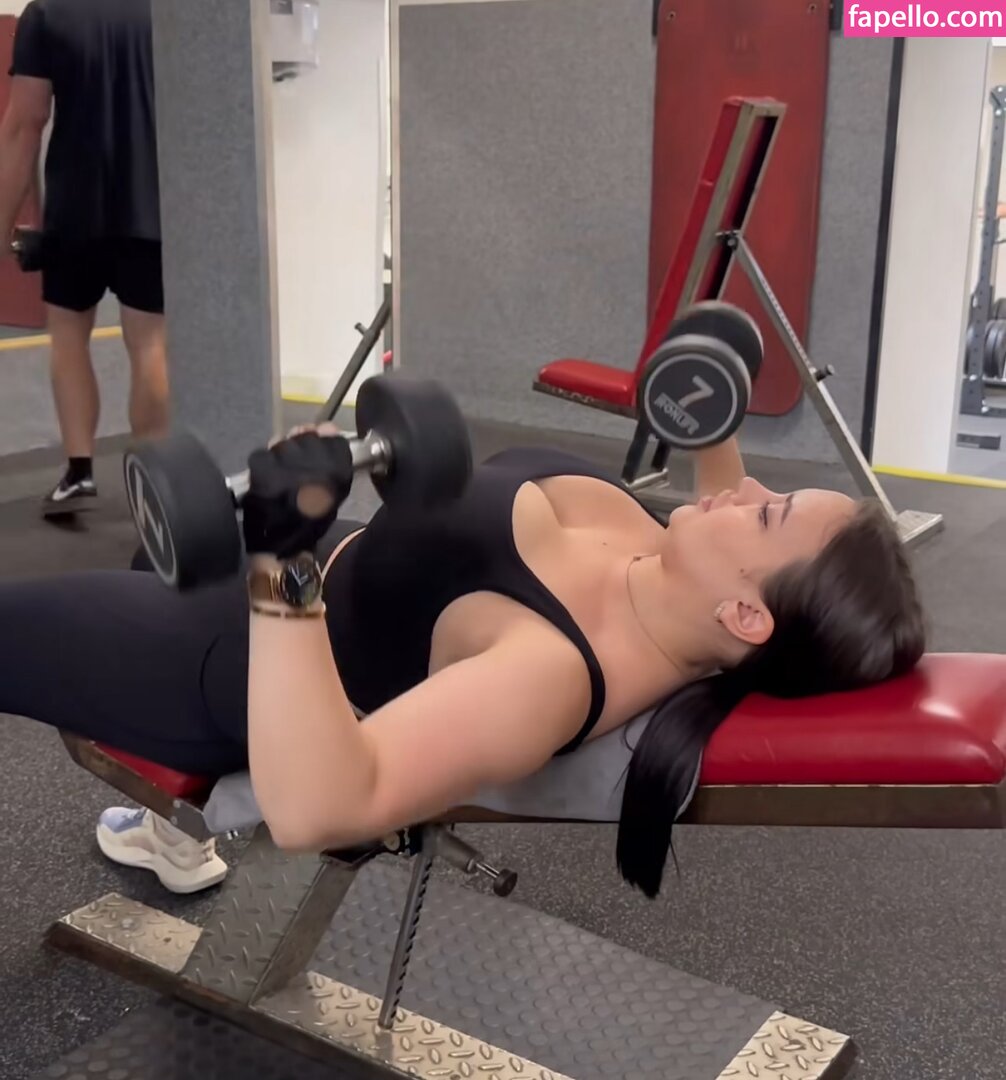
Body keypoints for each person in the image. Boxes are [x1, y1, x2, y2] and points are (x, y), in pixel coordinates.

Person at [0, 432, 925, 897]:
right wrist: (712, 393)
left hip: (237, 657)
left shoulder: (548, 674)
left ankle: (179, 784)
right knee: (146, 556)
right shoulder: (666, 560)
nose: (746, 487)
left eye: (767, 510)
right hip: (324, 563)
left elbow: (321, 806)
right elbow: (730, 503)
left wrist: (279, 559)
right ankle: (172, 839)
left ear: (745, 615)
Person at [0, 0, 167, 517]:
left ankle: (79, 472)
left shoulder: (47, 13)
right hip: (151, 205)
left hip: (75, 209)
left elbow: (25, 123)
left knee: (68, 338)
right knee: (151, 346)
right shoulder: (166, 12)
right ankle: (154, 485)